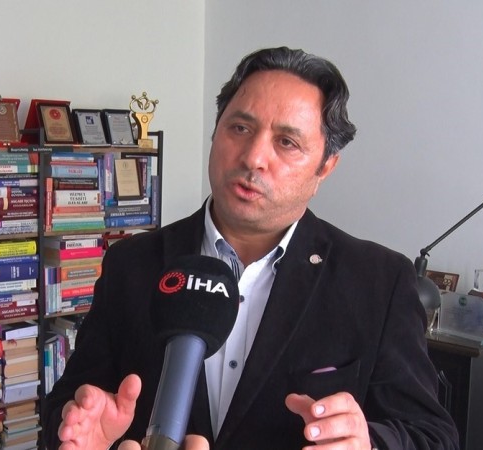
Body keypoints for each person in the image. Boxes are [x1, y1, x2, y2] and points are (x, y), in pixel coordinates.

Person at [45, 46, 459, 450]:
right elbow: (66, 410)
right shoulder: (132, 264)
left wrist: (369, 443)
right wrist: (79, 434)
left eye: (287, 142)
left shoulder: (379, 282)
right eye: (240, 128)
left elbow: (433, 436)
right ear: (215, 131)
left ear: (325, 167)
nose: (254, 157)